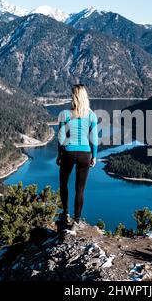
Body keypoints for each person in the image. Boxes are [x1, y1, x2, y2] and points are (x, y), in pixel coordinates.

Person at [57, 84, 98, 231]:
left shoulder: (64, 114)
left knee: (63, 184)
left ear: (73, 97)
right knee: (80, 189)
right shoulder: (92, 115)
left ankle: (65, 213)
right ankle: (77, 221)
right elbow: (94, 139)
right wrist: (94, 156)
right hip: (85, 154)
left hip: (68, 152)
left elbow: (60, 137)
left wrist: (59, 154)